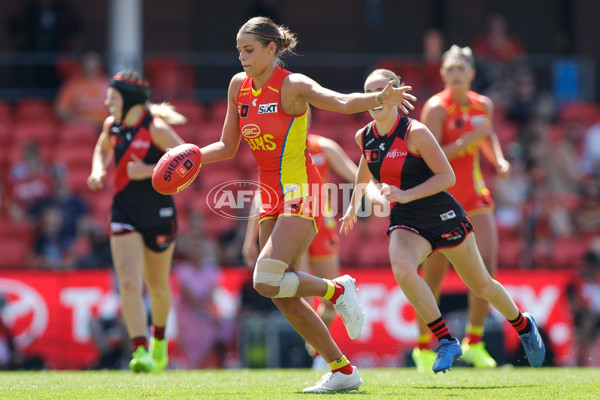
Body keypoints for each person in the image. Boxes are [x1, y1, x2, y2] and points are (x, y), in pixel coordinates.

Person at [196, 16, 414, 393]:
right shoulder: (238, 86)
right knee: (281, 294)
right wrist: (190, 157)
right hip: (270, 198)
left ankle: (337, 290)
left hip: (304, 193)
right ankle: (343, 370)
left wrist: (379, 99)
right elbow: (227, 147)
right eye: (238, 51)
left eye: (248, 50)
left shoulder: (292, 85)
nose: (242, 58)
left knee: (264, 279)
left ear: (271, 49)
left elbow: (341, 101)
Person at [339, 68, 546, 374]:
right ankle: (446, 340)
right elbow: (367, 164)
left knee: (482, 285)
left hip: (442, 217)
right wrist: (354, 202)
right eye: (370, 91)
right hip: (407, 222)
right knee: (404, 270)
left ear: (396, 93)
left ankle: (523, 324)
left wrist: (406, 194)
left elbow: (447, 177)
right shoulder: (363, 136)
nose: (375, 97)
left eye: (382, 89)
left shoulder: (416, 132)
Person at [410, 45, 512, 371]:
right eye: (450, 69)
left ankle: (475, 341)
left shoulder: (484, 105)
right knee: (434, 276)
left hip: (475, 197)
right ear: (442, 74)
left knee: (487, 264)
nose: (455, 74)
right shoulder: (436, 108)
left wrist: (499, 160)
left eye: (461, 69)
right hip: (441, 200)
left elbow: (487, 136)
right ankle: (424, 346)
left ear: (471, 73)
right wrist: (472, 139)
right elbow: (432, 158)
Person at [87, 70, 187, 373]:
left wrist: (149, 170)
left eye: (112, 96)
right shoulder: (112, 126)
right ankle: (139, 350)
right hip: (124, 213)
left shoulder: (156, 128)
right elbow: (101, 149)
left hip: (158, 214)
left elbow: (189, 160)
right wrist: (97, 170)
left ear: (129, 100)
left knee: (157, 286)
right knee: (128, 283)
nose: (106, 101)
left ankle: (158, 340)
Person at [242, 132, 361, 370]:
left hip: (321, 222)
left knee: (327, 306)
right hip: (292, 219)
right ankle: (323, 357)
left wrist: (376, 195)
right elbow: (261, 195)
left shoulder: (324, 146)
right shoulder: (274, 148)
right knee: (297, 294)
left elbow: (355, 174)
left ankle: (320, 348)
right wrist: (249, 238)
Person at [54, 51, 110, 130]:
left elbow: (117, 110)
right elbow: (61, 110)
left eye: (94, 64)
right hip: (80, 127)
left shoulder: (108, 85)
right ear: (82, 65)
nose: (91, 67)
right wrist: (77, 121)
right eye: (88, 63)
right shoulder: (73, 85)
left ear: (99, 66)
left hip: (103, 127)